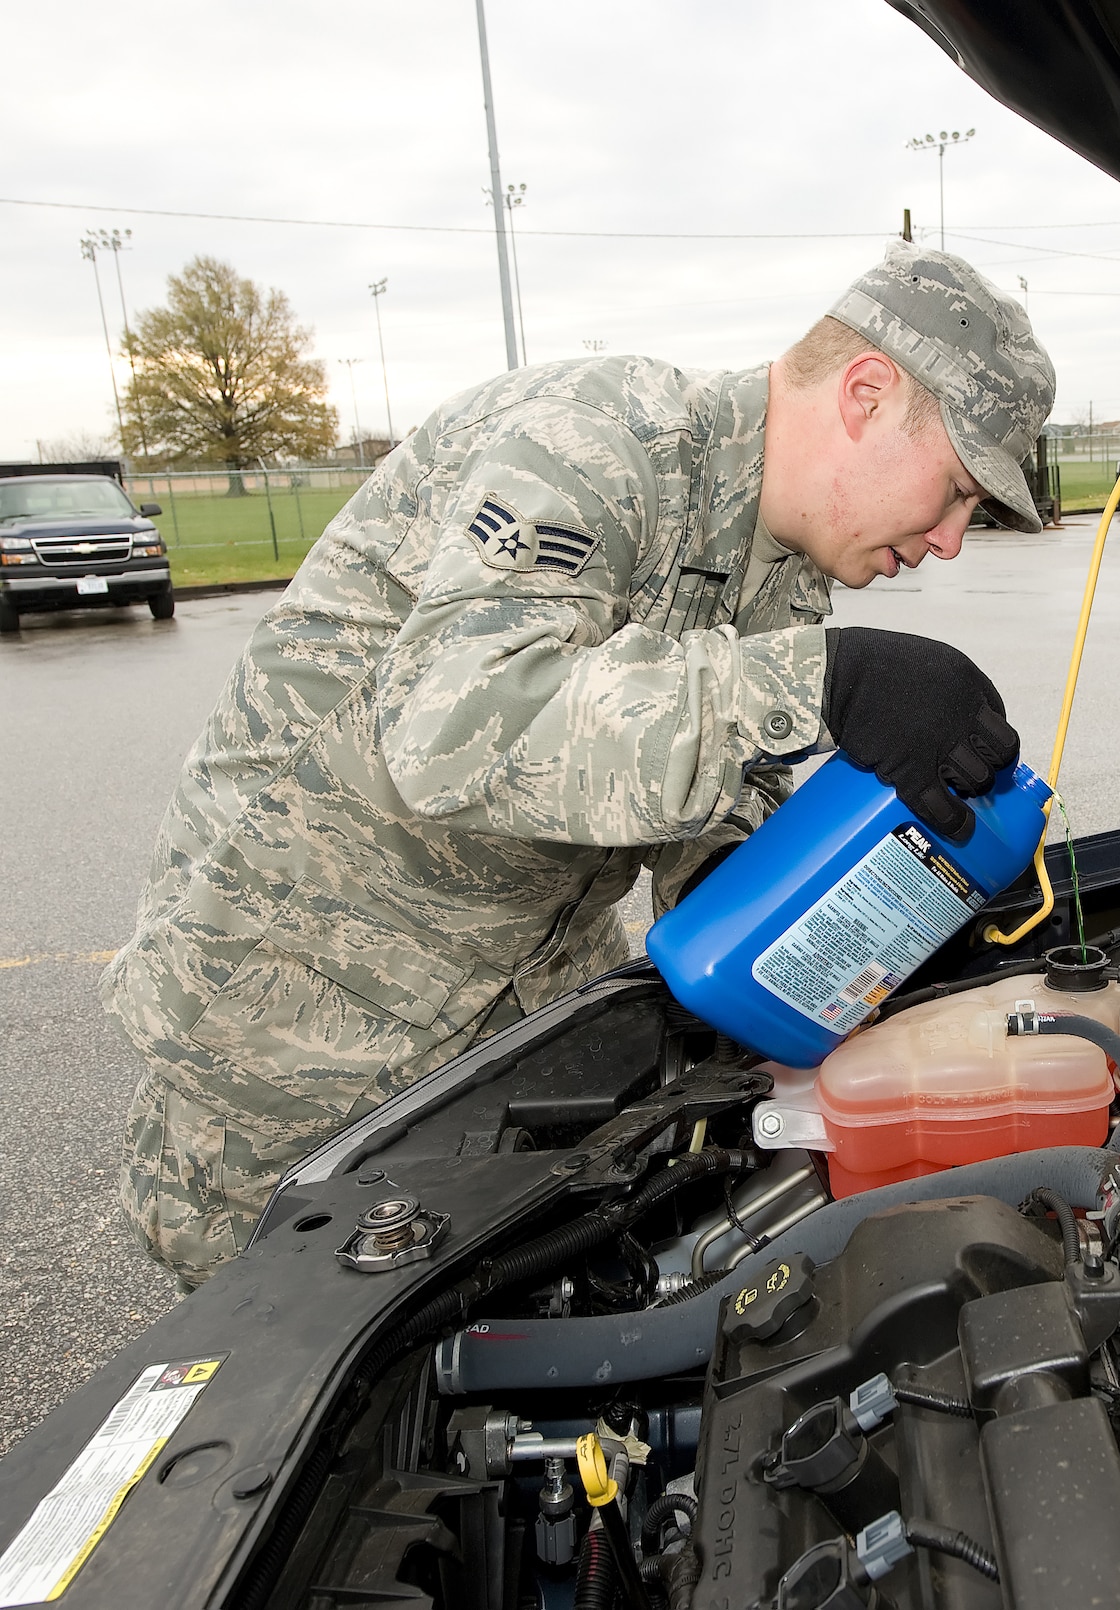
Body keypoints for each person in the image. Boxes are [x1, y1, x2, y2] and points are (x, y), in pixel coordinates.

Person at [101, 241, 1056, 1285]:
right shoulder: (598, 440)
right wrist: (817, 682)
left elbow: (700, 827)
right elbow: (455, 727)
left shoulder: (780, 568)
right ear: (867, 394)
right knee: (292, 1387)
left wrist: (894, 903)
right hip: (299, 1028)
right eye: (958, 490)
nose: (954, 539)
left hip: (507, 1025)